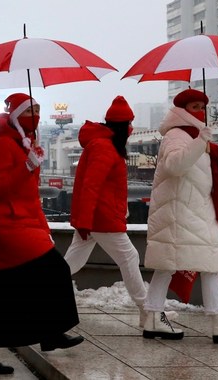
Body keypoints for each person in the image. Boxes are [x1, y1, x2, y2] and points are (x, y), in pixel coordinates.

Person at [0, 93, 83, 375]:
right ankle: (51, 333)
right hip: (7, 227)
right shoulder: (3, 148)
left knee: (2, 294)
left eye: (37, 109)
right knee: (55, 270)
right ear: (16, 116)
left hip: (18, 225)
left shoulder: (21, 146)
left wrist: (30, 162)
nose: (35, 113)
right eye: (30, 110)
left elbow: (26, 194)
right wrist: (27, 166)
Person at [142, 88, 218, 343]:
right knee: (204, 259)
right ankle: (216, 320)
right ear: (182, 110)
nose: (200, 111)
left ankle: (153, 316)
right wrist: (200, 142)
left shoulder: (189, 135)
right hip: (181, 211)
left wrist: (200, 141)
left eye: (202, 106)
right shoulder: (178, 135)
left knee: (172, 263)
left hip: (188, 210)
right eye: (194, 107)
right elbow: (175, 165)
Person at [63, 96, 148, 327]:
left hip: (94, 219)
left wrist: (83, 221)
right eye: (129, 123)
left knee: (71, 263)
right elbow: (92, 187)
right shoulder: (105, 148)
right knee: (129, 257)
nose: (131, 129)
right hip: (101, 219)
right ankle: (147, 310)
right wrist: (85, 221)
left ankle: (36, 298)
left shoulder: (102, 145)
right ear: (122, 126)